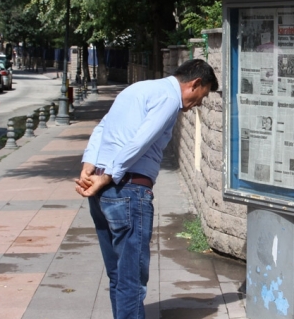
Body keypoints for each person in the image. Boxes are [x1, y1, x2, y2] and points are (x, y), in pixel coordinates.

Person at [75, 59, 218, 319]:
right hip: (127, 191)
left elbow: (103, 127)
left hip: (100, 192)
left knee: (118, 275)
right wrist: (108, 176)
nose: (198, 104)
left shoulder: (137, 89)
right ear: (195, 84)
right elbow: (139, 141)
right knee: (131, 279)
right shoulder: (168, 99)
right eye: (202, 96)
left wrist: (89, 166)